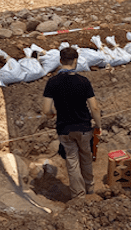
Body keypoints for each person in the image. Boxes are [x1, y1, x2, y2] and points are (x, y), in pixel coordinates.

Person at [42, 47, 102, 199]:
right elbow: (94, 107)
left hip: (65, 129)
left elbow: (46, 110)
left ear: (61, 61)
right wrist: (98, 124)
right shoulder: (83, 81)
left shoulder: (52, 82)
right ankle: (89, 189)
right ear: (76, 61)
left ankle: (79, 195)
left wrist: (52, 115)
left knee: (72, 161)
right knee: (86, 158)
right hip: (84, 128)